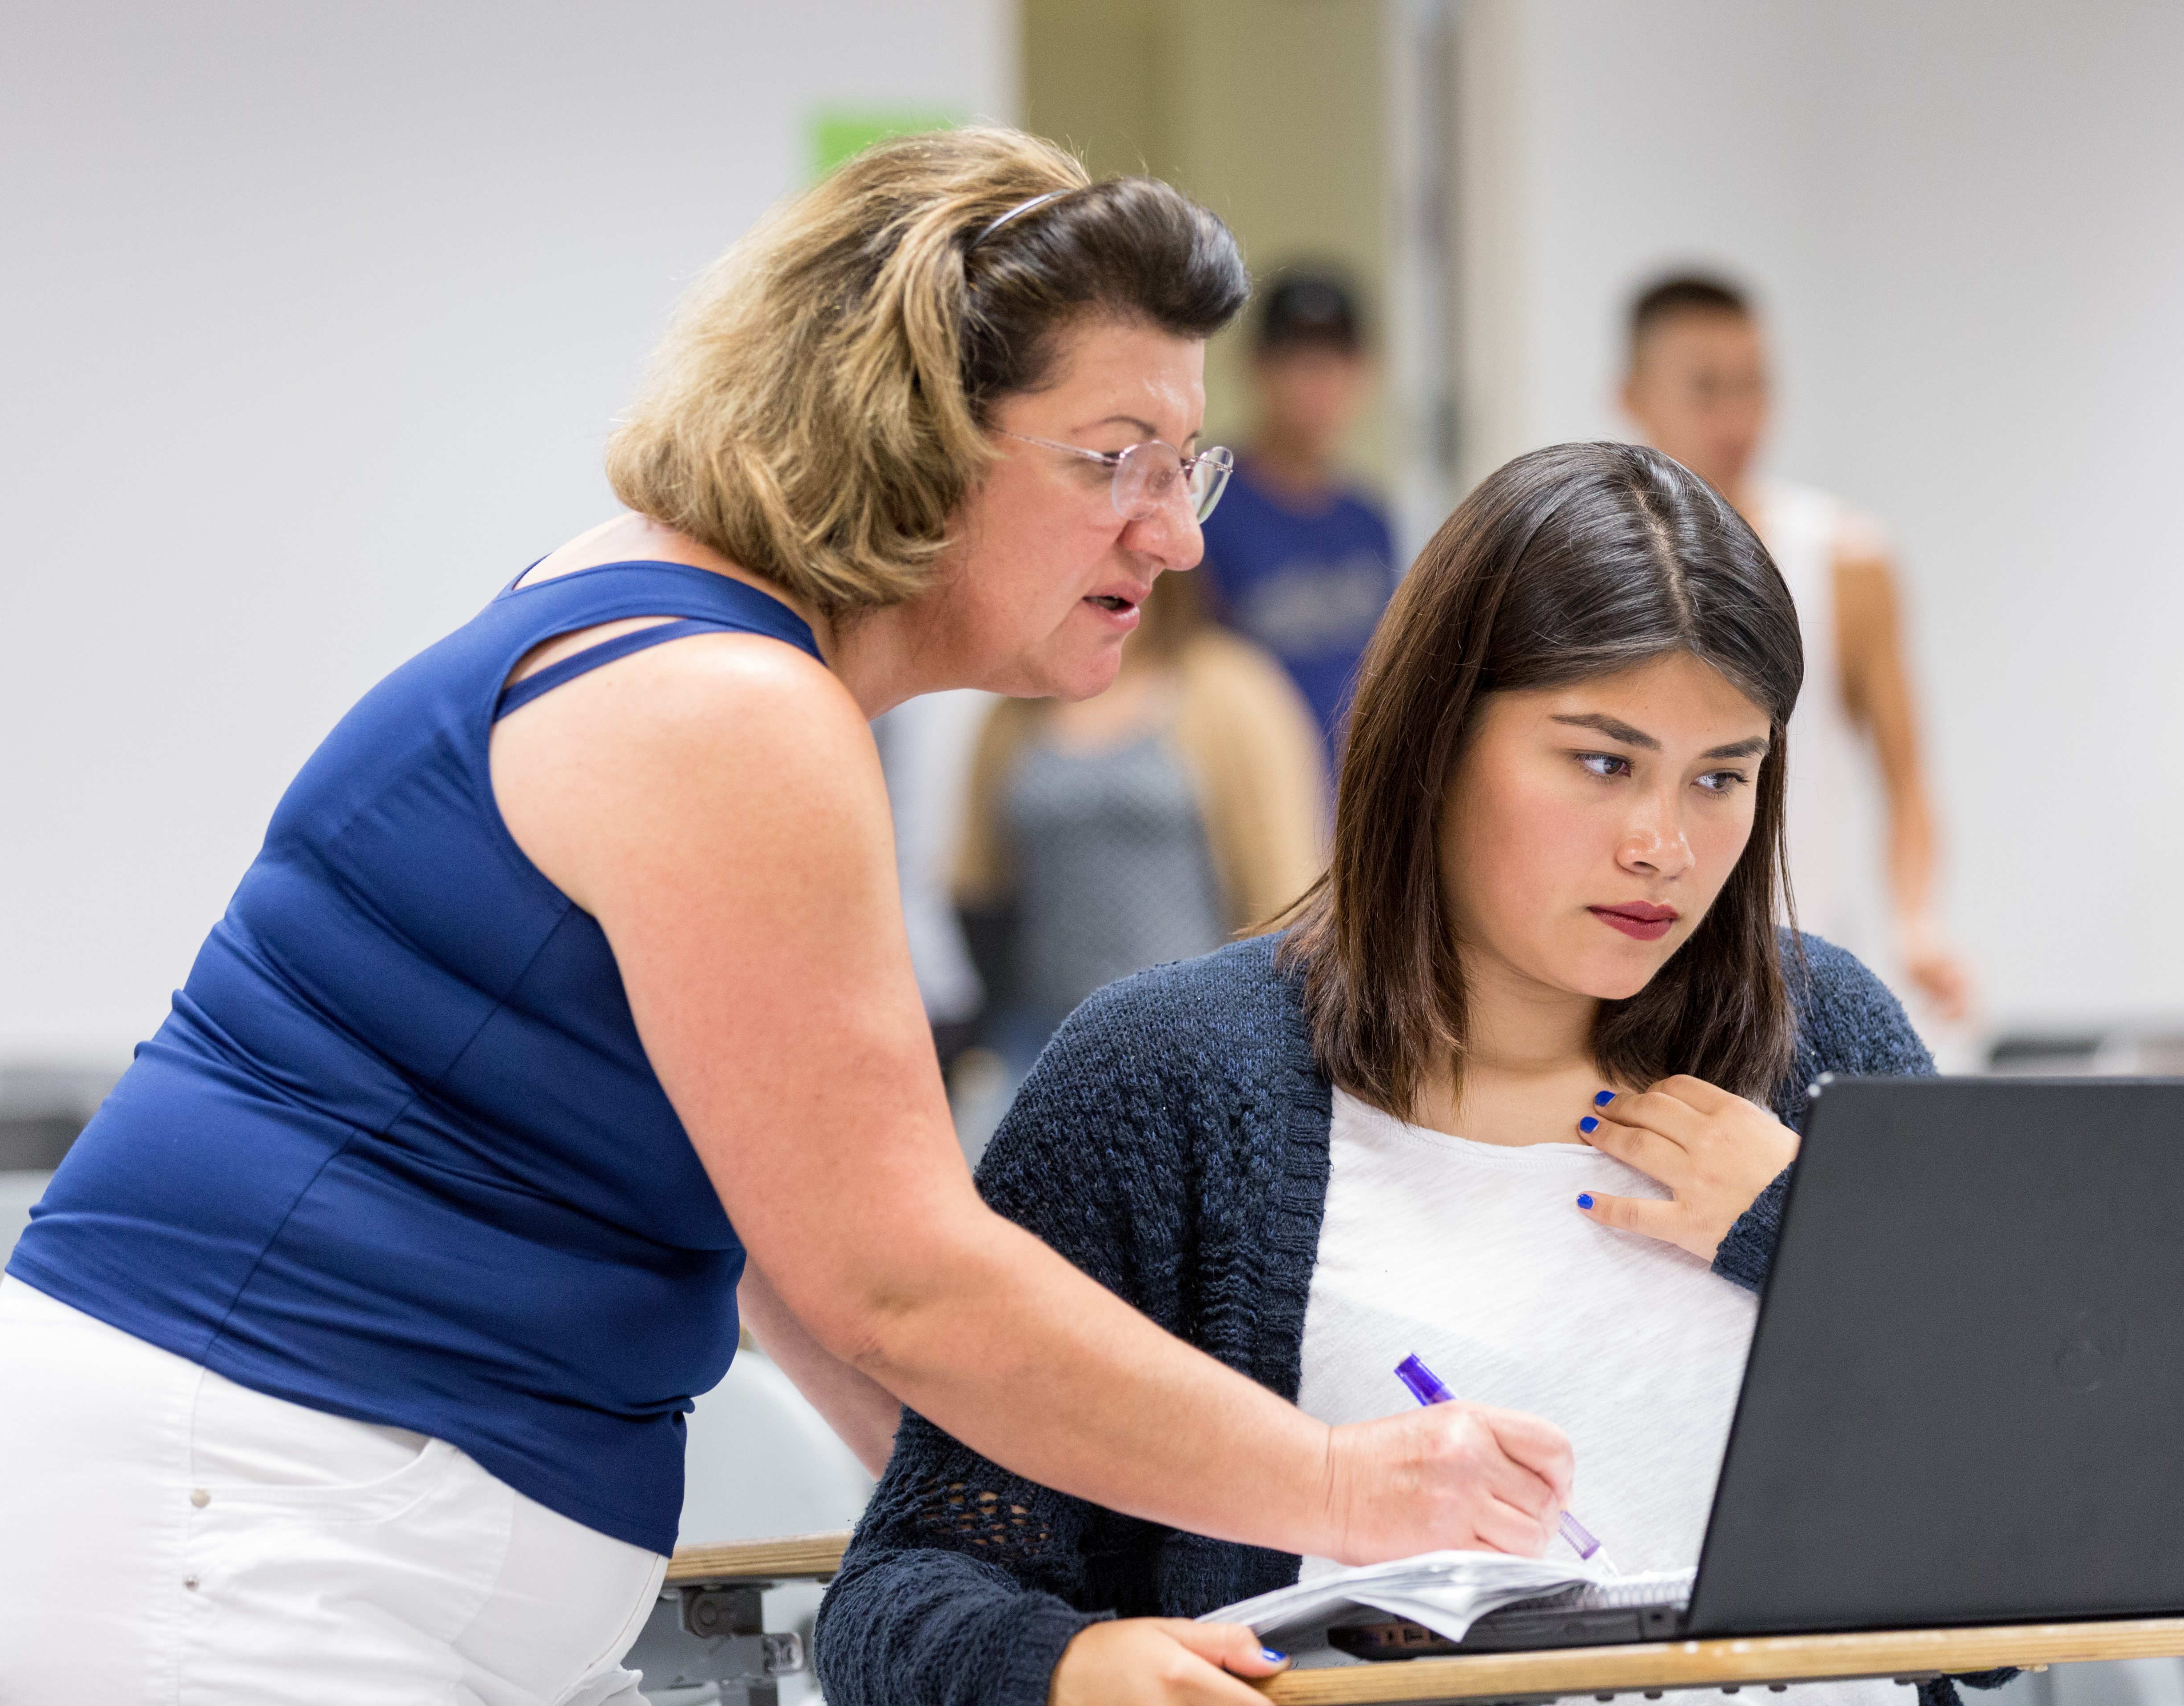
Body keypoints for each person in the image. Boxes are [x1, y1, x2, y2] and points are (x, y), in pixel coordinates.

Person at [0, 129, 1575, 1699]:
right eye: (1112, 460)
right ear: (912, 433)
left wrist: (1058, 1575)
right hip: (219, 1538)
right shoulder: (727, 708)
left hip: (251, 1542)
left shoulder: (707, 654)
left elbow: (798, 1246)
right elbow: (895, 1283)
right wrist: (1338, 1485)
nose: (1172, 534)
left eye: (1183, 462)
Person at [816, 443, 1983, 1706]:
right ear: (1436, 740)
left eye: (1723, 778)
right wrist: (1071, 1668)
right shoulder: (1169, 1082)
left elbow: (2015, 1567)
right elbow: (905, 1590)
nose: (1664, 846)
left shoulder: (1829, 1044)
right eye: (1603, 763)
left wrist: (1807, 1235)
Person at [1617, 274, 1972, 1021]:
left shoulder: (1846, 562)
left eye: (1754, 385)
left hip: (1796, 971)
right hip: (1639, 967)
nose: (1736, 416)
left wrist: (1918, 923)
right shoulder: (1596, 570)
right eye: (1706, 388)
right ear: (1634, 396)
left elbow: (1908, 780)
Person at [953, 571, 1323, 1098]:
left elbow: (1287, 894)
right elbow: (978, 883)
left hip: (1198, 1042)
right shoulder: (1019, 702)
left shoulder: (1228, 687)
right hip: (1045, 1039)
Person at [1195, 269, 1400, 758]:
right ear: (1255, 367)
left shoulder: (1370, 521)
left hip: (1349, 797)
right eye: (1297, 361)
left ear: (1363, 372)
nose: (1316, 382)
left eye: (1333, 362)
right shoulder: (1205, 501)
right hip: (1243, 789)